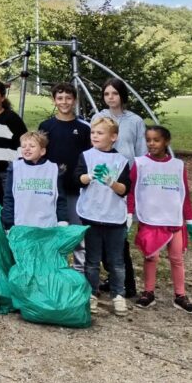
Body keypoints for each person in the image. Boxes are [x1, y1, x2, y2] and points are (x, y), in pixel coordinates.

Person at [129, 126, 192, 314]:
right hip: (150, 219)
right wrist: (129, 214)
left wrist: (190, 219)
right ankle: (148, 292)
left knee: (177, 258)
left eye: (156, 140)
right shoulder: (140, 163)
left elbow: (184, 193)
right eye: (149, 139)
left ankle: (180, 295)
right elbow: (132, 190)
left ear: (166, 142)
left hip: (173, 220)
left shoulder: (178, 165)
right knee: (150, 257)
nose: (151, 143)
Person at [74, 115, 131, 316]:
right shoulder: (86, 156)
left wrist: (111, 182)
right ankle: (91, 293)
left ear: (113, 137)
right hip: (91, 215)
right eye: (93, 133)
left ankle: (118, 295)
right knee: (91, 260)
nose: (95, 136)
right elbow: (78, 179)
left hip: (114, 218)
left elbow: (125, 189)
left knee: (116, 262)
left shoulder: (122, 161)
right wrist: (89, 177)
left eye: (100, 133)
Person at [98, 78, 145, 297]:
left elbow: (140, 152)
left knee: (119, 233)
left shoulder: (135, 121)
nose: (110, 98)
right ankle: (111, 276)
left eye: (114, 94)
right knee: (101, 230)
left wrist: (136, 180)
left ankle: (127, 282)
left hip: (124, 180)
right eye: (107, 94)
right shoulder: (99, 118)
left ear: (122, 95)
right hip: (103, 180)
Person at [39, 82, 92, 271]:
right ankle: (53, 269)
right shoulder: (46, 126)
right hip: (52, 189)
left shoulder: (84, 128)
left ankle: (80, 272)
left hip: (77, 189)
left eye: (68, 98)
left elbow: (90, 157)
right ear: (54, 100)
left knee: (77, 233)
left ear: (75, 100)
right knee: (52, 231)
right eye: (60, 98)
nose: (64, 102)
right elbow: (39, 156)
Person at [1, 131, 67, 230]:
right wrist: (8, 223)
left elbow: (60, 198)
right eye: (23, 146)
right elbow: (9, 197)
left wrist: (62, 220)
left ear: (42, 151)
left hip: (47, 226)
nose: (27, 148)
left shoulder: (53, 169)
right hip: (21, 224)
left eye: (32, 146)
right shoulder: (14, 168)